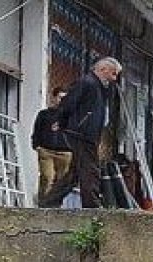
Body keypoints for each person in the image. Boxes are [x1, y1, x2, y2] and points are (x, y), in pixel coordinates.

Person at [39, 57, 122, 209]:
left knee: (75, 171)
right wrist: (61, 121)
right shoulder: (87, 83)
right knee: (90, 169)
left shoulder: (100, 87)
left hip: (87, 132)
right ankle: (92, 205)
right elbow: (69, 103)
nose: (114, 78)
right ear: (103, 70)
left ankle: (50, 201)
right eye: (113, 74)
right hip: (81, 132)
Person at [31, 87, 72, 202]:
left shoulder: (71, 116)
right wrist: (36, 145)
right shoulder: (44, 114)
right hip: (46, 151)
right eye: (60, 97)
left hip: (65, 152)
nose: (62, 100)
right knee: (47, 176)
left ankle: (56, 204)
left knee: (61, 180)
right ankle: (43, 203)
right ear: (54, 97)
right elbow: (37, 131)